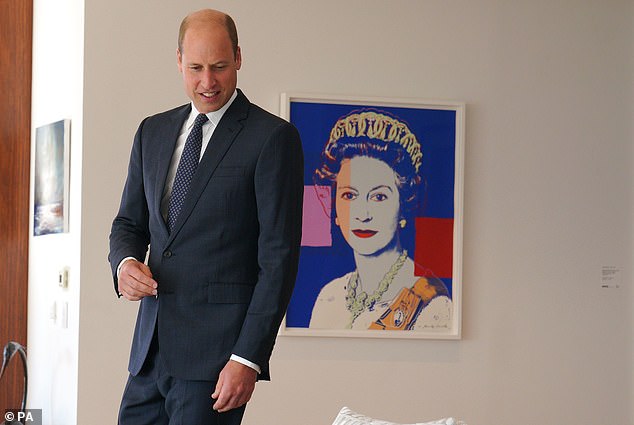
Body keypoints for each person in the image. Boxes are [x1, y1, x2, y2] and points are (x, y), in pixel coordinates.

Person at [108, 9, 303, 425]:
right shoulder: (152, 132)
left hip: (217, 363)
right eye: (195, 68)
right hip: (148, 355)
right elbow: (128, 224)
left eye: (218, 67)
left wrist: (248, 358)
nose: (207, 82)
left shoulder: (272, 139)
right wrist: (124, 264)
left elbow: (279, 260)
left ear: (238, 57)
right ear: (178, 59)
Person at [309, 110, 451, 331]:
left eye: (379, 197)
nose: (363, 214)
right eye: (349, 195)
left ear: (403, 204)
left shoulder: (432, 305)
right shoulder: (330, 296)